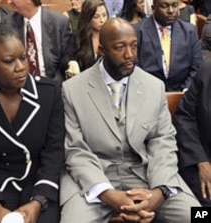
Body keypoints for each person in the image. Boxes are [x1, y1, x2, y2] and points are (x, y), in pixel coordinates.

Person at [60, 17, 200, 223]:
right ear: (101, 50)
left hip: (148, 176)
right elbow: (75, 150)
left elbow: (163, 142)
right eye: (119, 47)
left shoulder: (154, 86)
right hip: (95, 180)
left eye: (134, 46)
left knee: (200, 215)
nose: (130, 55)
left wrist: (159, 192)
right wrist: (108, 194)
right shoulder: (72, 89)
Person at [0, 23, 64, 223]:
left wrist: (38, 202)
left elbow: (54, 153)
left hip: (38, 185)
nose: (20, 67)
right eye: (9, 61)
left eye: (23, 58)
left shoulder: (48, 92)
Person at [134, 0, 203, 91]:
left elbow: (197, 66)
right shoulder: (137, 31)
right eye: (164, 6)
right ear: (153, 9)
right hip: (147, 91)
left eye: (175, 5)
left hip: (182, 93)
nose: (171, 10)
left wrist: (185, 90)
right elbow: (135, 66)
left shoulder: (189, 31)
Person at [5, 0, 77, 84]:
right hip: (21, 86)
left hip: (53, 85)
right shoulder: (8, 23)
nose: (9, 1)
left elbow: (66, 57)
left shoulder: (59, 23)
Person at [174, 61, 211, 206]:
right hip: (203, 160)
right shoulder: (206, 72)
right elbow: (184, 118)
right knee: (199, 215)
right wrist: (201, 162)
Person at [74, 0, 108, 72]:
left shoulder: (113, 37)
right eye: (96, 17)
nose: (102, 20)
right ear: (88, 18)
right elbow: (67, 58)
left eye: (104, 15)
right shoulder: (77, 37)